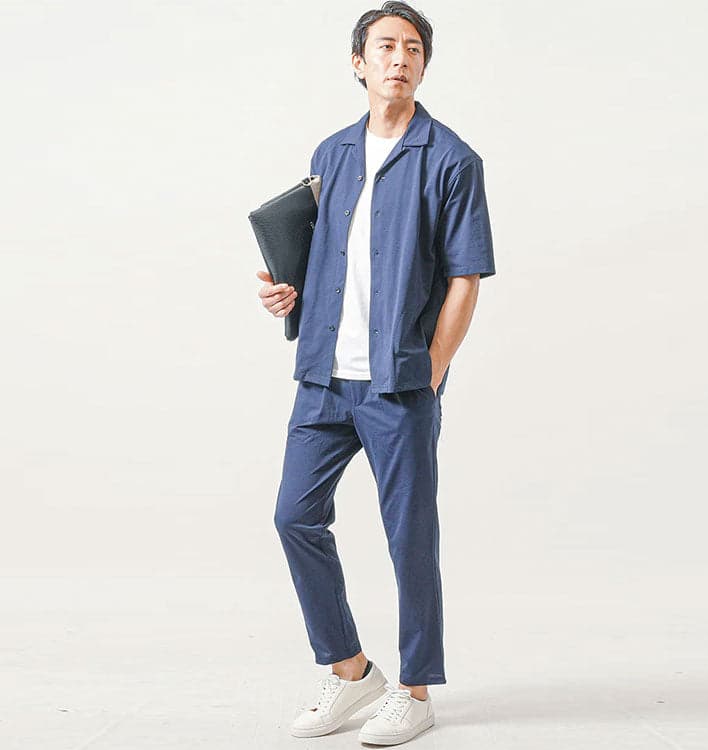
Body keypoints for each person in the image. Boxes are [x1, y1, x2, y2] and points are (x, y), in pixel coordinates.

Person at [256, 2, 496, 744]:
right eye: (386, 46)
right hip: (324, 376)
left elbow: (465, 278)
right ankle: (352, 672)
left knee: (409, 536)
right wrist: (286, 293)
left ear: (424, 65)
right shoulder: (330, 153)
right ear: (358, 62)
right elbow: (323, 259)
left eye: (413, 48)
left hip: (399, 382)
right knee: (295, 516)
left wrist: (432, 370)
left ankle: (415, 691)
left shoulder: (452, 159)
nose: (400, 58)